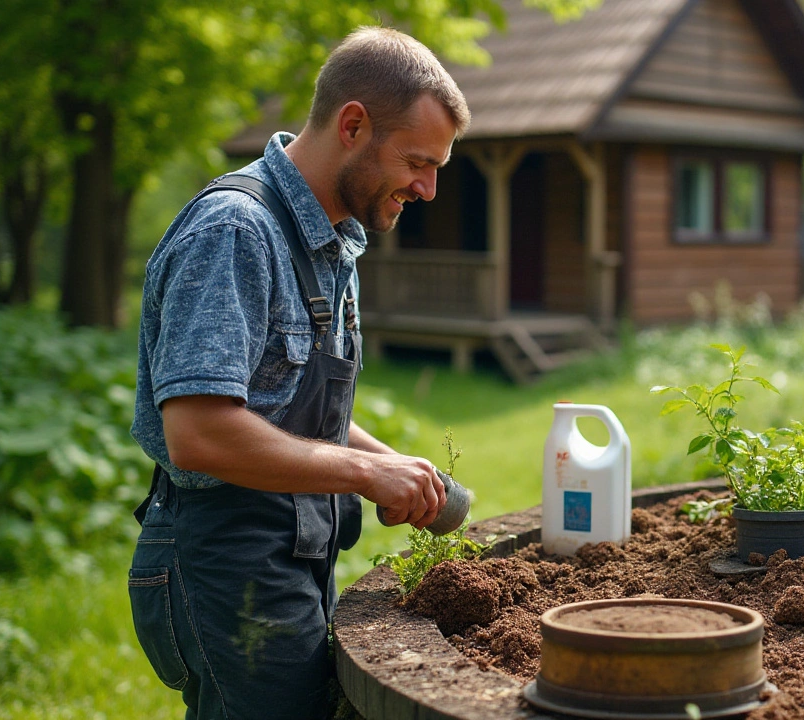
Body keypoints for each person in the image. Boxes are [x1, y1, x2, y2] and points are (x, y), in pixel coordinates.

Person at [127, 27, 470, 719]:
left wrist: (392, 461)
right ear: (352, 126)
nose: (428, 189)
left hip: (290, 550)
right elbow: (200, 433)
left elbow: (286, 407)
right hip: (224, 560)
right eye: (416, 161)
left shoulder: (331, 240)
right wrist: (367, 475)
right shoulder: (235, 230)